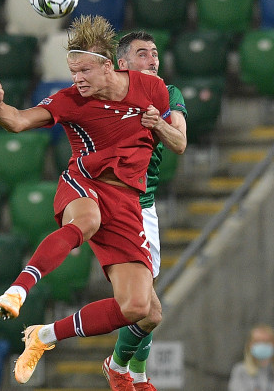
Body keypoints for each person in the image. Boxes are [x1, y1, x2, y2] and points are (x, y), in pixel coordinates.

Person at [0, 14, 172, 386]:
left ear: (107, 66)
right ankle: (18, 290)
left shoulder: (152, 91)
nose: (77, 79)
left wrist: (163, 126)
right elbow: (18, 121)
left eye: (84, 70)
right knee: (86, 222)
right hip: (85, 180)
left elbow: (175, 137)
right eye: (72, 72)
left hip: (127, 201)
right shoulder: (69, 101)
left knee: (141, 310)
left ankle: (43, 336)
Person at [105, 31, 188, 391]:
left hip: (146, 206)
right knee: (148, 309)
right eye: (142, 54)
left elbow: (180, 142)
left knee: (150, 308)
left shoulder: (168, 95)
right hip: (117, 205)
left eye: (154, 53)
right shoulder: (111, 94)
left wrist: (159, 124)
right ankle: (122, 369)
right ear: (122, 65)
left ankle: (132, 373)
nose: (152, 60)